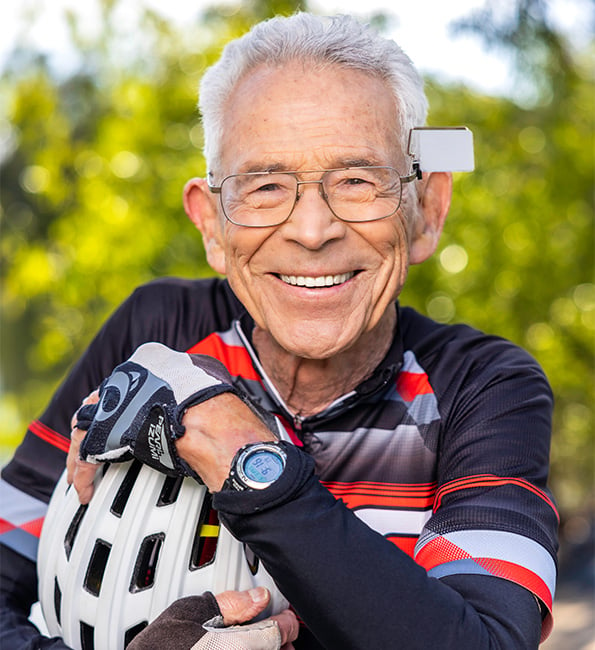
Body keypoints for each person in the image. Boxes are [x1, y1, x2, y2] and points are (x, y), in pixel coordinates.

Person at [0, 12, 558, 650]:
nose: (312, 230)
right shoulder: (158, 331)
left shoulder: (484, 386)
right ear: (211, 225)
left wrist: (245, 457)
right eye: (264, 187)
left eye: (357, 181)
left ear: (426, 212)